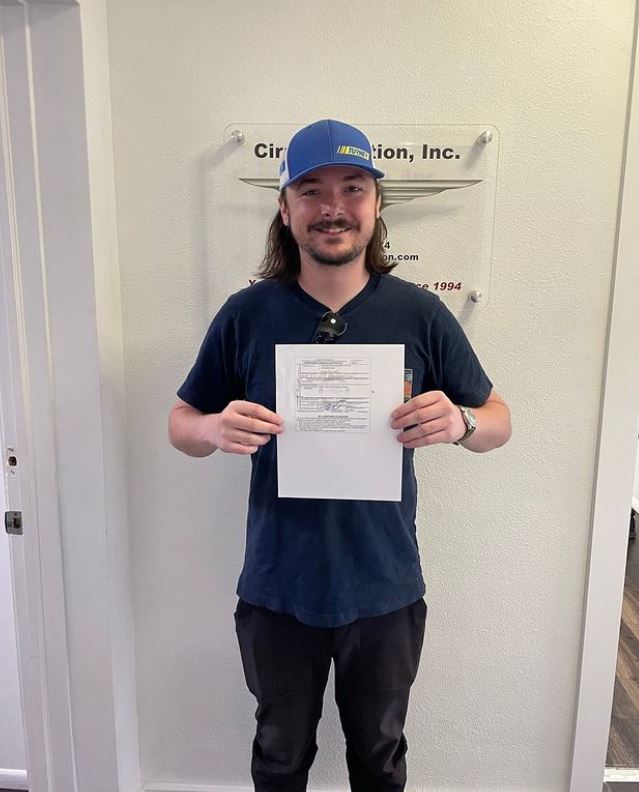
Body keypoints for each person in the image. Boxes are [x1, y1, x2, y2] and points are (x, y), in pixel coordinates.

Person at [169, 119, 511, 792]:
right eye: (311, 190)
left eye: (352, 188)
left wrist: (462, 420)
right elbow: (180, 422)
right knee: (277, 756)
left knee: (379, 758)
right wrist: (211, 430)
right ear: (284, 207)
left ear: (376, 204)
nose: (332, 208)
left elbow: (498, 421)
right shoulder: (247, 314)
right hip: (277, 587)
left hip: (382, 587)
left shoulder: (419, 314)